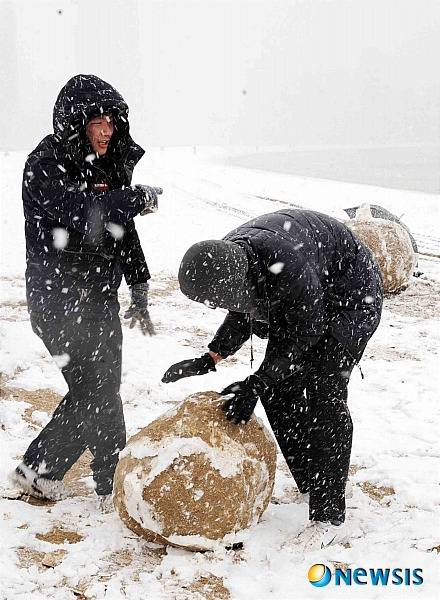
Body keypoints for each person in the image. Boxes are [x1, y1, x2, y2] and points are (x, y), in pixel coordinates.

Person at [162, 209, 383, 550]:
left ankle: (329, 517)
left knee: (325, 393)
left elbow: (303, 332)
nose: (212, 306)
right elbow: (243, 309)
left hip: (349, 298)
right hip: (307, 295)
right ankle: (313, 480)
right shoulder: (232, 256)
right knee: (278, 390)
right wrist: (211, 357)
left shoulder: (286, 263)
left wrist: (256, 381)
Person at [10, 74, 162, 509]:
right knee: (97, 392)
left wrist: (139, 282)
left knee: (97, 389)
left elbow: (118, 230)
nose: (108, 130)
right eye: (98, 121)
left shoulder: (107, 165)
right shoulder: (45, 164)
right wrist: (134, 198)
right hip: (57, 301)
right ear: (75, 123)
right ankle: (110, 482)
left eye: (112, 121)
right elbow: (85, 213)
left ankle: (40, 473)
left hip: (98, 300)